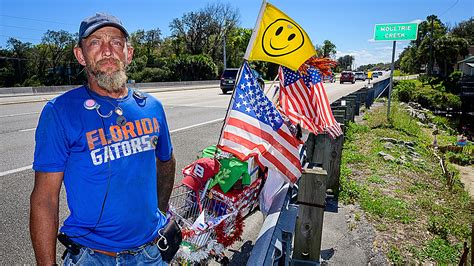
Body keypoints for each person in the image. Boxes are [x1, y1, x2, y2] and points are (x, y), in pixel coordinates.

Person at [30, 13, 176, 265]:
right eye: (96, 42)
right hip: (93, 257)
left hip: (151, 254)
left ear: (128, 53)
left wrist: (159, 213)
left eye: (116, 42)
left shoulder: (153, 107)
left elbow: (166, 161)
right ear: (80, 55)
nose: (108, 51)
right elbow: (45, 198)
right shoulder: (59, 112)